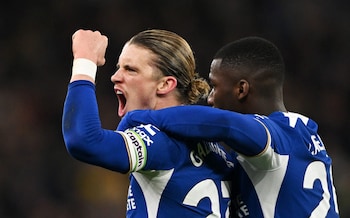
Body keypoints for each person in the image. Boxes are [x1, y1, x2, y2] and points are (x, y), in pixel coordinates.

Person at [119, 36, 340, 217]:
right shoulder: (300, 131)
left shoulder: (275, 137)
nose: (210, 99)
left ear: (241, 89)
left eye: (214, 86)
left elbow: (225, 124)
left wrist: (142, 117)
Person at [62, 29, 237, 217]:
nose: (115, 76)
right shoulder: (217, 151)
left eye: (130, 69)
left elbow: (84, 140)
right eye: (119, 67)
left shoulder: (163, 139)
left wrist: (84, 60)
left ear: (165, 84)